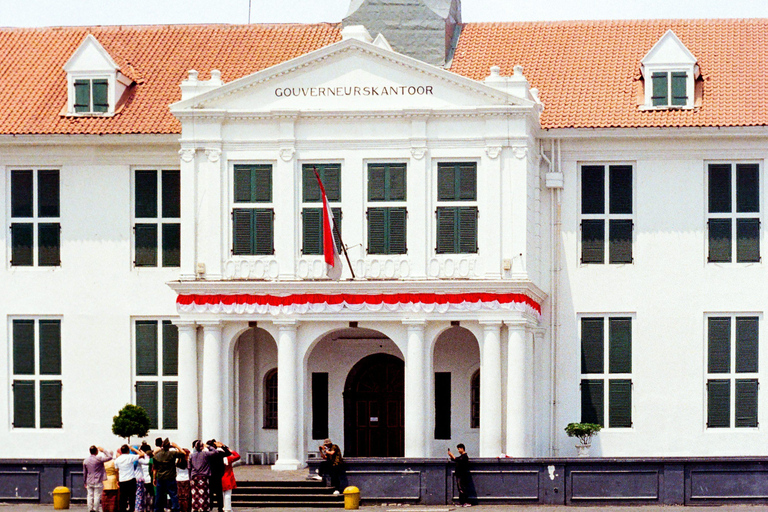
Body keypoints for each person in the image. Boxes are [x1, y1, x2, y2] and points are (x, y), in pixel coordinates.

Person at [153, 438, 185, 512]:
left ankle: (157, 509)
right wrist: (176, 446)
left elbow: (155, 469)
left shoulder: (157, 456)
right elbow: (184, 453)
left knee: (159, 495)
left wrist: (154, 478)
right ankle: (175, 509)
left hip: (161, 477)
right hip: (170, 477)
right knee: (173, 495)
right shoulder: (172, 454)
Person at [114, 444, 146, 512]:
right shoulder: (130, 457)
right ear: (128, 450)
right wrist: (133, 449)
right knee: (132, 497)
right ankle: (131, 509)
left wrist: (117, 480)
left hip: (122, 480)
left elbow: (116, 471)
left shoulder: (117, 460)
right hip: (131, 479)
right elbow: (142, 455)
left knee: (123, 497)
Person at [189, 440, 217, 512]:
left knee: (195, 494)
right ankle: (203, 508)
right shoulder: (205, 454)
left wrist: (190, 478)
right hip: (203, 476)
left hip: (194, 476)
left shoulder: (191, 455)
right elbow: (215, 452)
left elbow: (189, 467)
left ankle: (195, 508)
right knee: (204, 494)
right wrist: (208, 446)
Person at [83, 446, 113, 512]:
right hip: (98, 480)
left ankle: (90, 509)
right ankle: (96, 509)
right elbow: (110, 457)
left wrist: (84, 481)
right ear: (96, 451)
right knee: (97, 496)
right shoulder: (99, 459)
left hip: (89, 480)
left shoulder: (86, 460)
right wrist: (103, 450)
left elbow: (85, 472)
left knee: (90, 495)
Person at [206, 440, 231, 512]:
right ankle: (220, 508)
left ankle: (210, 507)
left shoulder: (207, 454)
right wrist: (223, 446)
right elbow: (228, 453)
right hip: (218, 475)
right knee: (219, 493)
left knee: (210, 492)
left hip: (210, 475)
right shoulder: (219, 453)